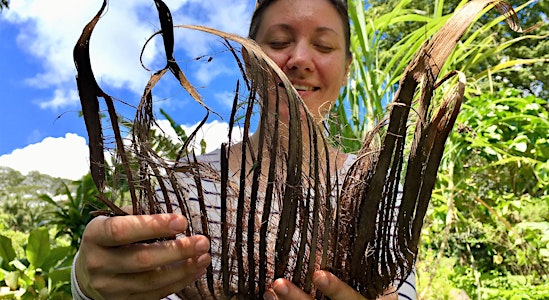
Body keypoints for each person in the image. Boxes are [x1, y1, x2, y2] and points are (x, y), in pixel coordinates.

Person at [71, 0, 417, 299]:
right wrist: (88, 284)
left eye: (324, 46)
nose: (299, 59)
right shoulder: (184, 185)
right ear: (250, 60)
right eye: (280, 41)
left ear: (346, 70)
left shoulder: (382, 196)